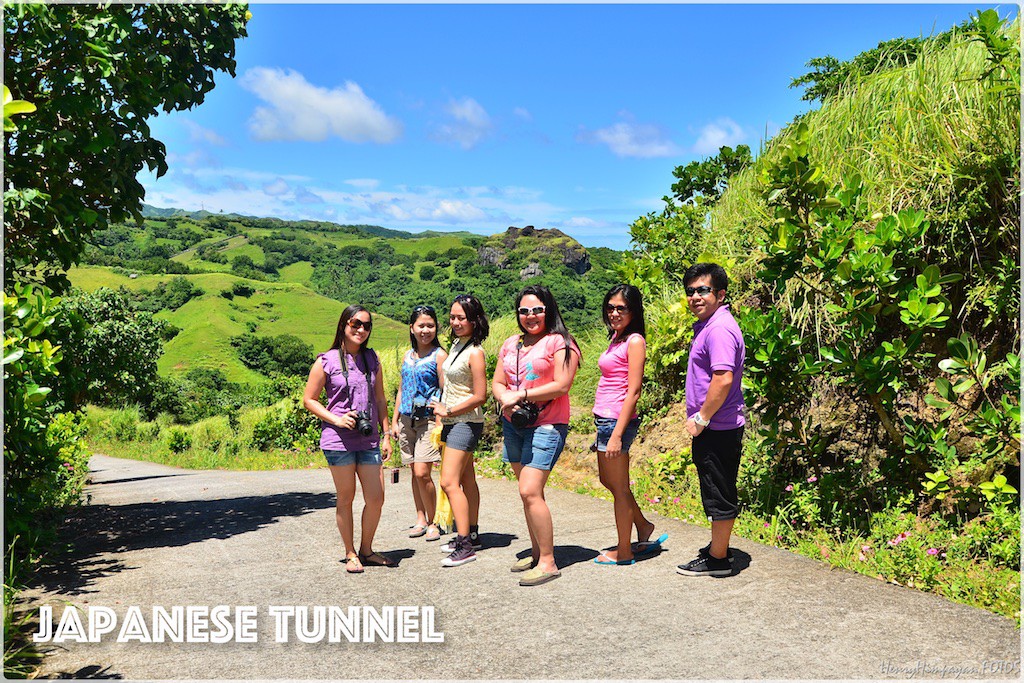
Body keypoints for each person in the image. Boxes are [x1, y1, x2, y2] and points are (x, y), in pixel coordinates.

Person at [493, 285, 580, 586]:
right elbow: (497, 381)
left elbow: (562, 385)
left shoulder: (561, 342)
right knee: (529, 492)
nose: (531, 316)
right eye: (524, 311)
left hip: (548, 424)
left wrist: (521, 394)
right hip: (513, 424)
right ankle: (536, 551)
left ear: (549, 310)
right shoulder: (511, 343)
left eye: (537, 310)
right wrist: (506, 398)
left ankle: (547, 562)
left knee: (529, 490)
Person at [303, 305, 395, 574]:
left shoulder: (372, 359)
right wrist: (336, 419)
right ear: (344, 324)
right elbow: (309, 399)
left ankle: (367, 549)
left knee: (376, 498)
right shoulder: (326, 361)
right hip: (338, 440)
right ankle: (350, 552)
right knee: (346, 497)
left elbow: (379, 398)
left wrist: (386, 434)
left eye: (366, 326)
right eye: (355, 324)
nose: (361, 330)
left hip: (368, 440)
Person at [676, 263, 745, 577]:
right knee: (716, 487)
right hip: (716, 425)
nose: (695, 297)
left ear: (720, 294)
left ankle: (718, 560)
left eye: (702, 290)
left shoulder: (718, 328)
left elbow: (722, 379)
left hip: (717, 426)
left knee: (718, 492)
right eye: (690, 291)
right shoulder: (711, 324)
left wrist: (702, 418)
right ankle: (719, 549)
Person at [592, 284, 665, 566]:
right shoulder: (617, 338)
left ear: (633, 311)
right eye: (610, 307)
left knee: (619, 487)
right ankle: (643, 526)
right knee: (609, 481)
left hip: (616, 422)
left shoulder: (634, 341)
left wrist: (617, 435)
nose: (614, 313)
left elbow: (633, 391)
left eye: (621, 308)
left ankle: (624, 552)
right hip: (606, 419)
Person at [430, 294, 489, 567]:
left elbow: (480, 396)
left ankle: (464, 544)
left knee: (448, 482)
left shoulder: (475, 352)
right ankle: (472, 534)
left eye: (461, 318)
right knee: (466, 480)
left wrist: (449, 411)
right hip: (454, 421)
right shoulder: (457, 346)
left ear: (474, 320)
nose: (455, 322)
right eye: (452, 317)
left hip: (465, 422)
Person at [391, 305, 447, 543]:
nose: (426, 330)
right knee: (414, 473)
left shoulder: (439, 355)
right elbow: (402, 389)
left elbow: (445, 391)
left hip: (427, 420)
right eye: (421, 325)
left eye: (430, 325)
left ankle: (435, 521)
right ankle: (420, 518)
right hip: (406, 420)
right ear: (411, 328)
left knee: (423, 472)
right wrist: (393, 421)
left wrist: (439, 423)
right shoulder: (407, 356)